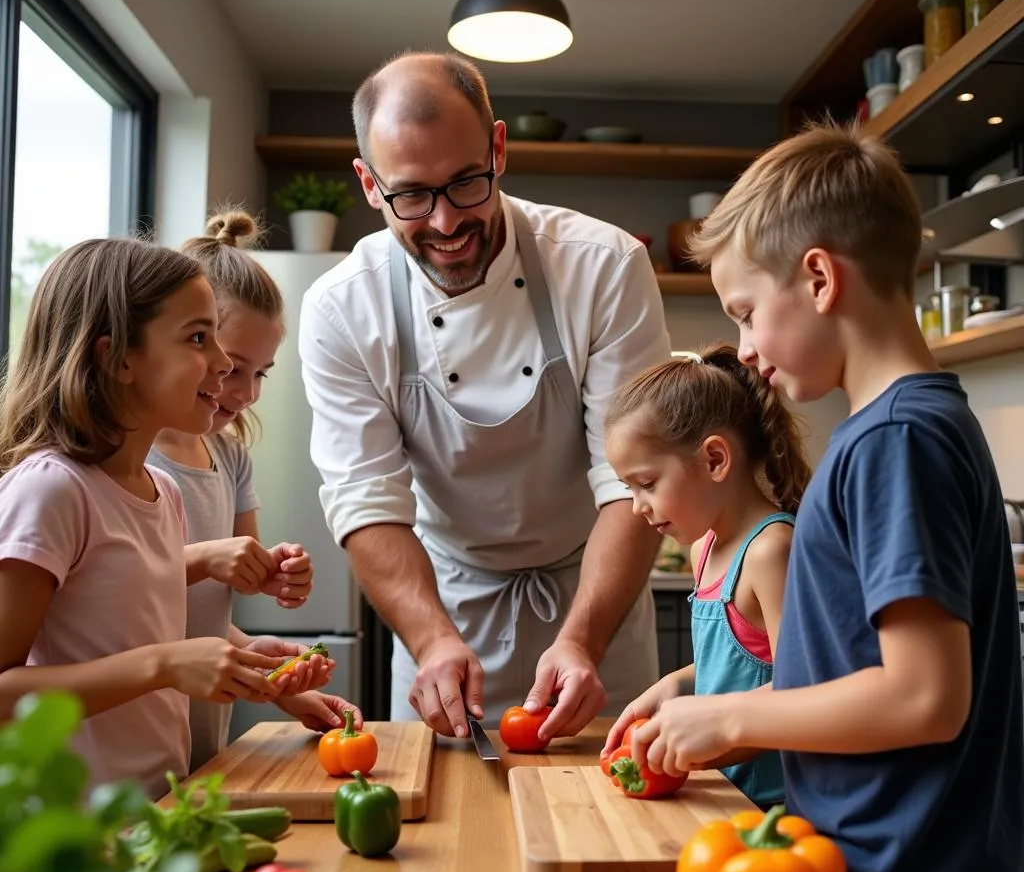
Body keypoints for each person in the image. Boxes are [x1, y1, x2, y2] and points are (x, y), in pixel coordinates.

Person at [631, 122, 1024, 872]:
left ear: (817, 278)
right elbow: (851, 656)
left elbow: (926, 696)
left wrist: (731, 721)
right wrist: (700, 685)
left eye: (742, 310)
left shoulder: (894, 442)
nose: (745, 346)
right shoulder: (903, 429)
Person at [299, 51, 670, 740]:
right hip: (443, 613)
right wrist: (431, 639)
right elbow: (366, 497)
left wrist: (582, 639)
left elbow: (632, 481)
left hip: (597, 610)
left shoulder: (603, 266)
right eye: (411, 195)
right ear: (369, 185)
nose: (444, 223)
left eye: (466, 183)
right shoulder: (342, 307)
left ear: (498, 149)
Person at [0, 237, 303, 799]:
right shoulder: (50, 489)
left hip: (157, 808)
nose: (220, 361)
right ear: (117, 358)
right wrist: (163, 665)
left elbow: (136, 632)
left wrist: (242, 658)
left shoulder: (163, 492)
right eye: (198, 338)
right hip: (69, 834)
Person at [148, 210, 363, 772]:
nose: (244, 392)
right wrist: (209, 560)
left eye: (260, 373)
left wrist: (283, 683)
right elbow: (118, 604)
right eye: (231, 365)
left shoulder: (229, 456)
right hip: (129, 736)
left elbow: (204, 616)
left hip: (196, 743)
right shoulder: (125, 462)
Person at [600, 342, 810, 809]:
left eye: (648, 484)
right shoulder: (705, 549)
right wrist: (675, 685)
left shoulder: (771, 551)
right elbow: (742, 666)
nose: (638, 507)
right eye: (629, 488)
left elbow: (803, 686)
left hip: (773, 810)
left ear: (715, 459)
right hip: (723, 798)